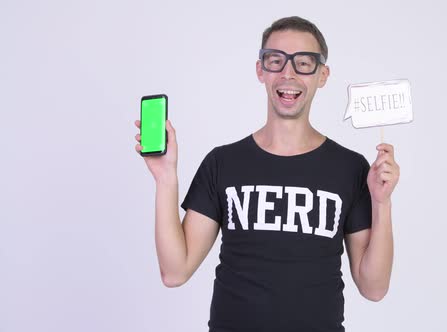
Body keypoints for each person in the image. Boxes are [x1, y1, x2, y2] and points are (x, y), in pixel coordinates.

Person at [134, 16, 399, 332]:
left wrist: (382, 203)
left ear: (322, 75)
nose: (288, 73)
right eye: (276, 61)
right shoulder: (222, 163)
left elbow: (374, 288)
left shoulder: (351, 168)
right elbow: (175, 272)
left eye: (304, 63)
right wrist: (166, 178)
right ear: (260, 70)